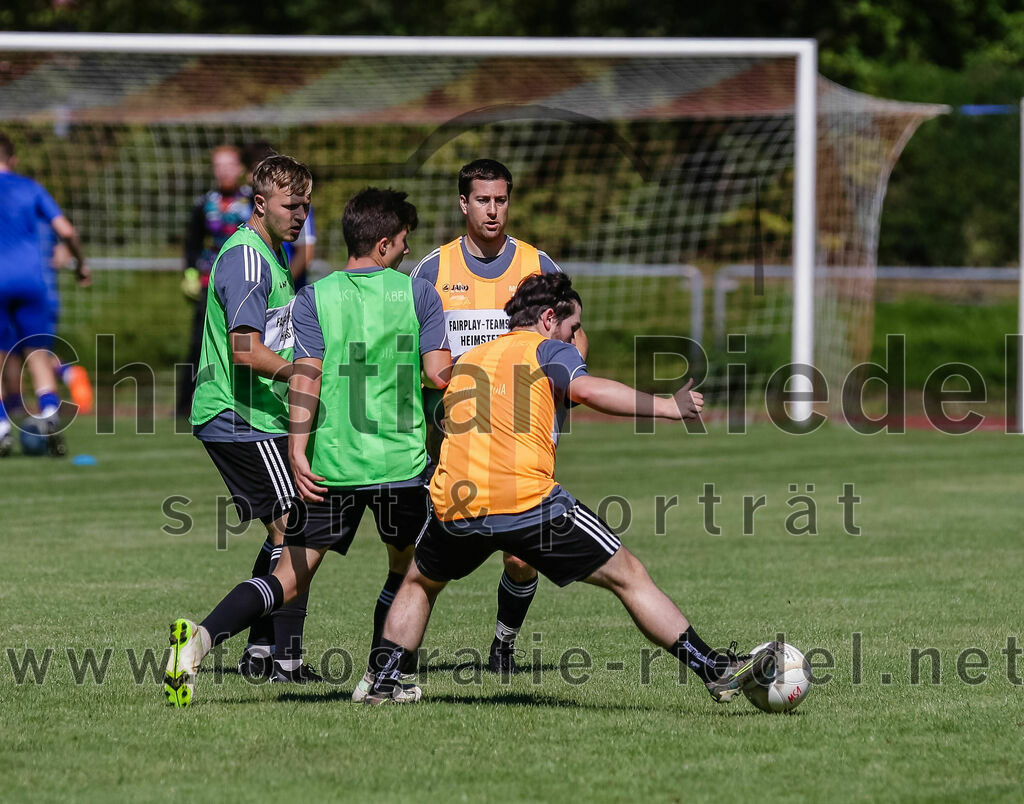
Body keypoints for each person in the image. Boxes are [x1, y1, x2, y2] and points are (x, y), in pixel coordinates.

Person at [361, 272, 776, 705]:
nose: (575, 337)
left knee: (419, 583)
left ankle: (384, 683)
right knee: (629, 576)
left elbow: (444, 426)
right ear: (548, 319)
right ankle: (713, 669)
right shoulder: (547, 349)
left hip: (455, 504)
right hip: (528, 503)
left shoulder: (468, 361)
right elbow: (588, 389)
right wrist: (667, 406)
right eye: (573, 326)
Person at [164, 187, 451, 708]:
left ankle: (200, 640)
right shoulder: (420, 294)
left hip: (331, 464)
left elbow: (306, 379)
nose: (408, 250)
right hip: (400, 465)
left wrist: (297, 451)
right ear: (384, 244)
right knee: (409, 572)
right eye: (404, 241)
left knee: (288, 577)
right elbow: (437, 374)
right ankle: (382, 679)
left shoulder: (314, 297)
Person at [410, 158, 588, 675]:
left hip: (523, 432)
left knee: (521, 554)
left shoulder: (537, 264)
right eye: (482, 200)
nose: (493, 210)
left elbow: (575, 333)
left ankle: (503, 645)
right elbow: (413, 350)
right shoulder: (432, 270)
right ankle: (398, 657)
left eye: (501, 200)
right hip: (453, 438)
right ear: (463, 203)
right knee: (426, 561)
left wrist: (569, 383)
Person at [186, 154, 317, 684]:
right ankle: (260, 654)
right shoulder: (247, 259)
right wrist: (301, 374)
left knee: (288, 531)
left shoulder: (273, 251)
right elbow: (244, 349)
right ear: (260, 203)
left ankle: (263, 656)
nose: (300, 215)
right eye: (291, 205)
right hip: (238, 414)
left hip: (255, 413)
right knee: (298, 530)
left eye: (306, 205)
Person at [0, 131, 90, 457]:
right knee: (38, 354)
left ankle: (2, 427)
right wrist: (80, 264)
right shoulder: (31, 187)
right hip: (31, 281)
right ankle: (50, 413)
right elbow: (67, 230)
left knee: (2, 357)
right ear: (13, 159)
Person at [177, 145, 252, 419]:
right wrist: (190, 273)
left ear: (240, 168)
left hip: (246, 281)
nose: (224, 171)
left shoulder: (253, 200)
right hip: (211, 282)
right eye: (218, 166)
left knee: (245, 340)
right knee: (200, 342)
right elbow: (192, 243)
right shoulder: (204, 204)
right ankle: (185, 404)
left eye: (229, 165)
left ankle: (244, 400)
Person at [242, 141, 317, 290]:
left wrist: (281, 286)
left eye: (255, 170)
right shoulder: (243, 202)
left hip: (291, 288)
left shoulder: (297, 204)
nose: (250, 177)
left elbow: (306, 253)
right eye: (248, 170)